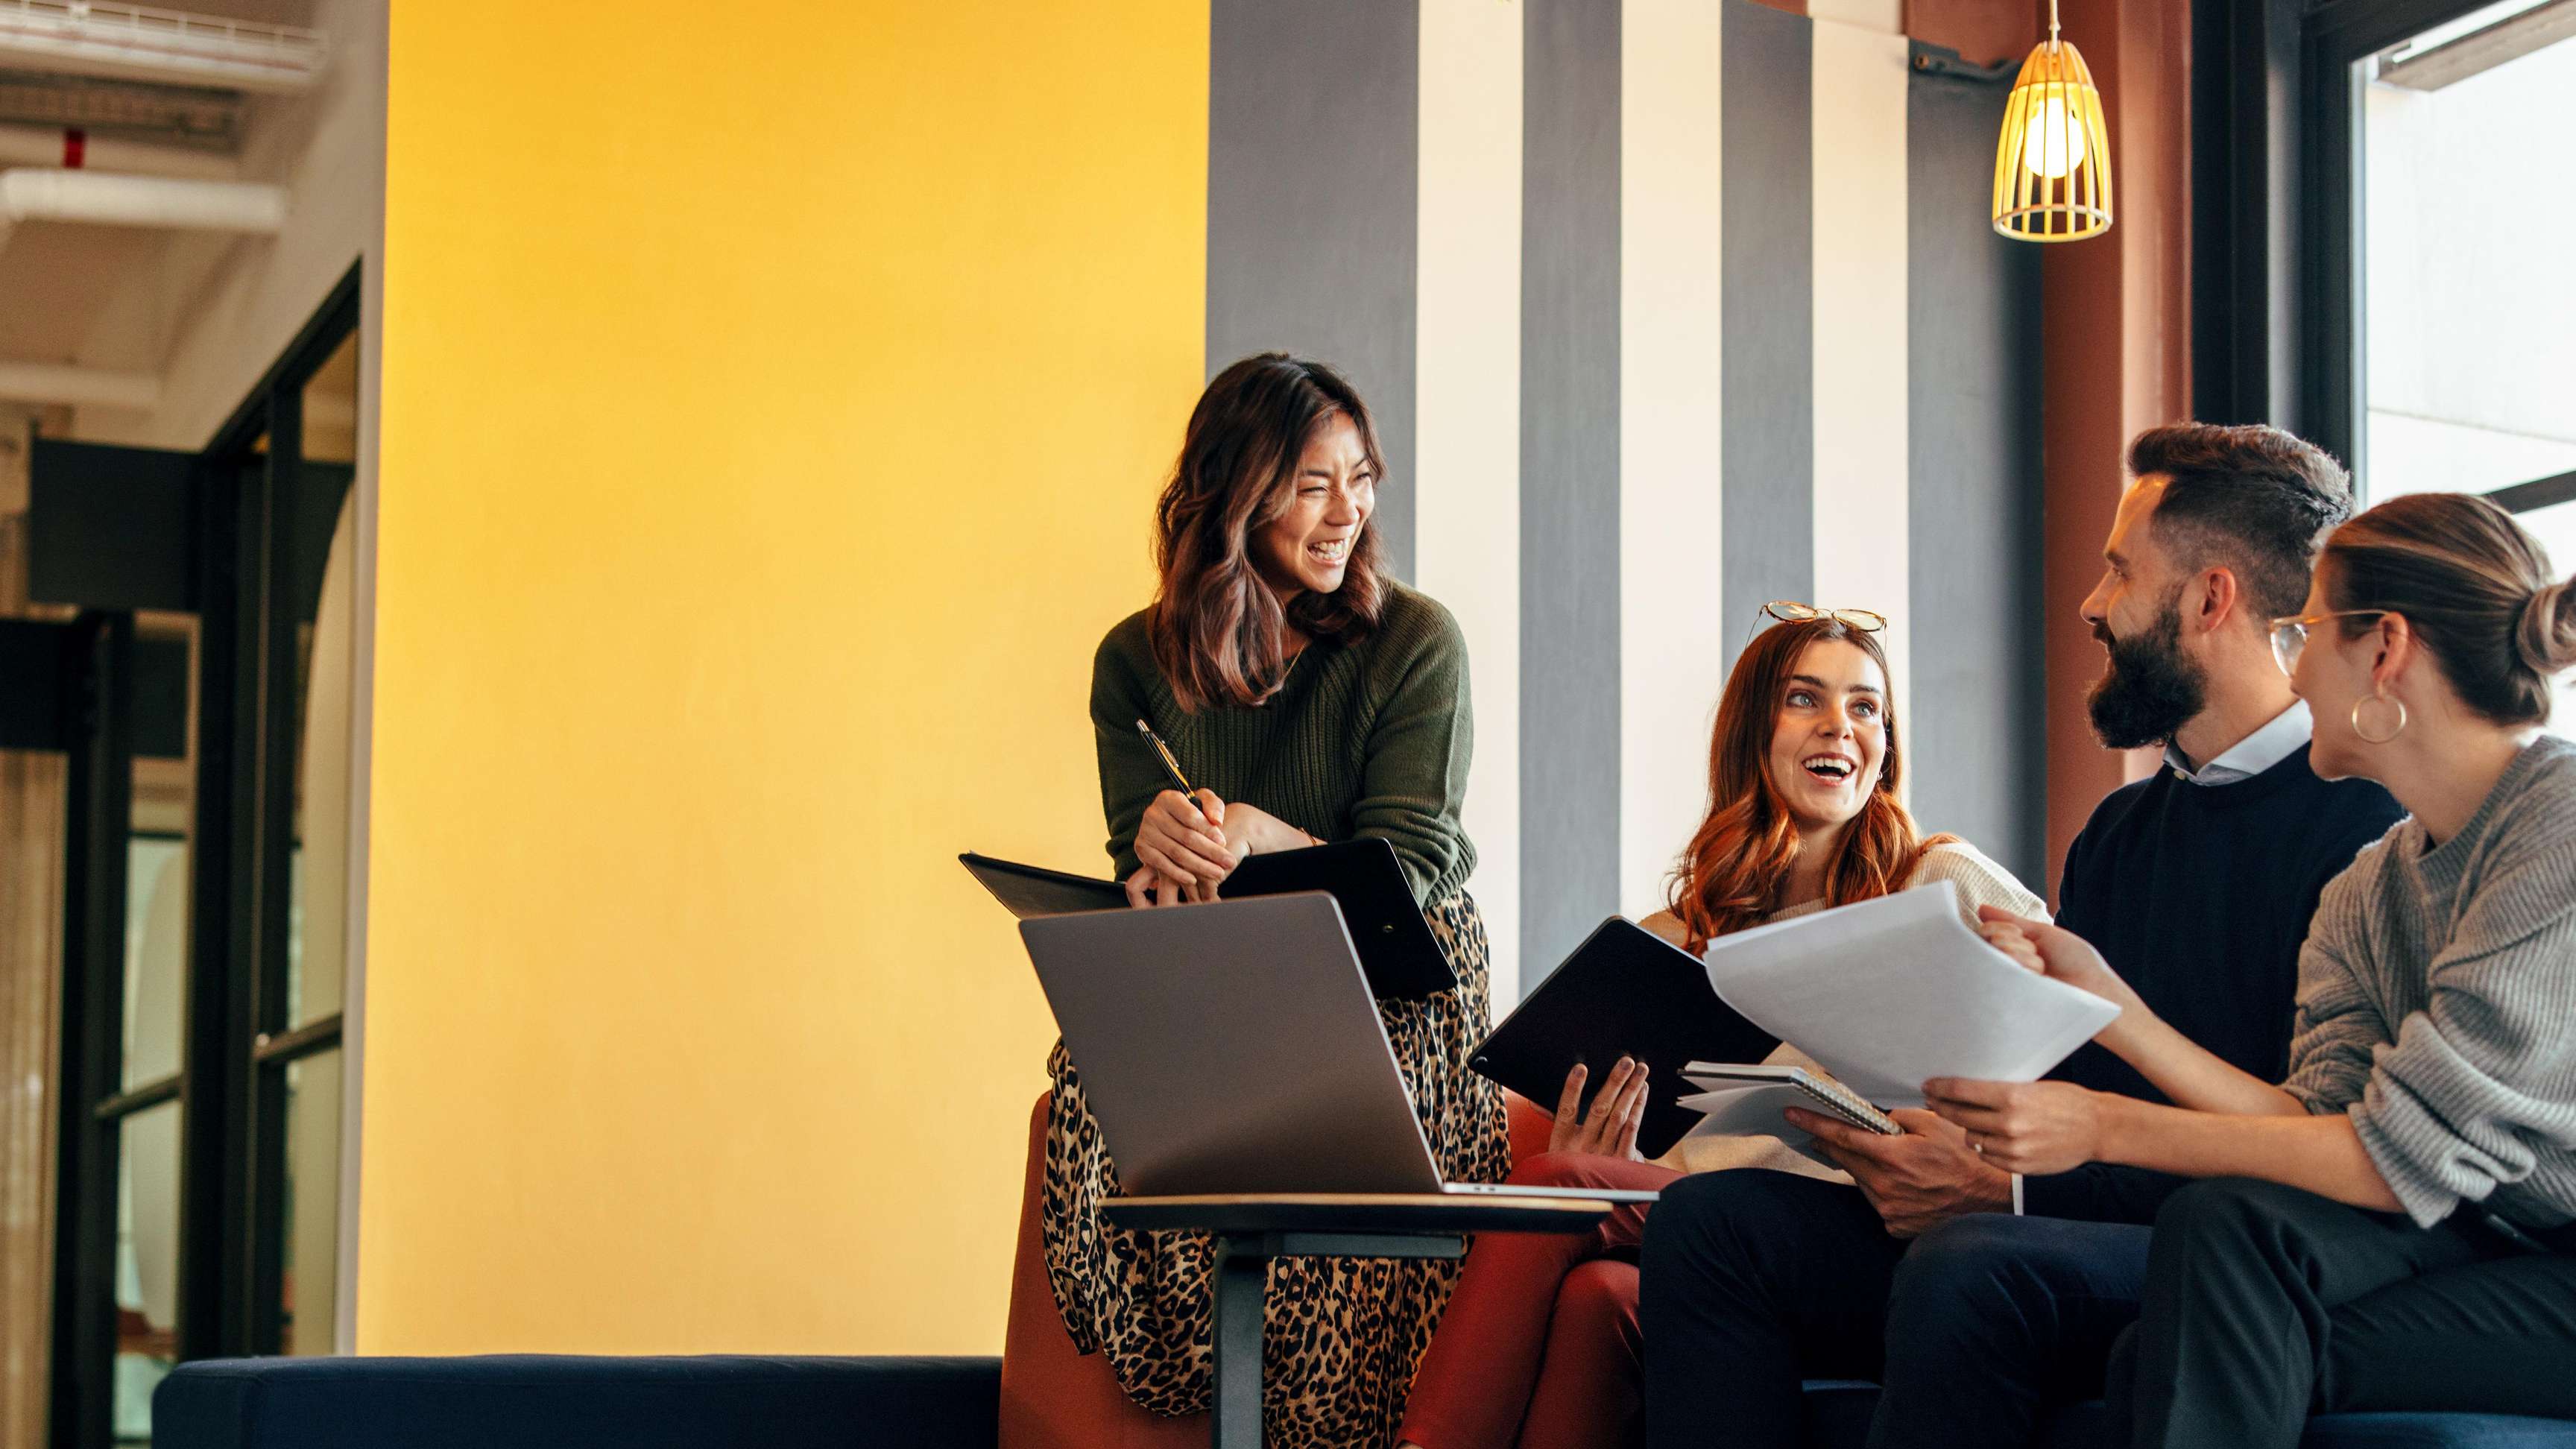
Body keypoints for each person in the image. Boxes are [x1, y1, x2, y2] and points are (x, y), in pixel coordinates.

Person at [1638, 423, 2405, 1449]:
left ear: (2208, 598)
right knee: (1713, 1226)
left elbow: (2312, 1152)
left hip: (2209, 1246)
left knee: (1972, 1269)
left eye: (2119, 572)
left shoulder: (2365, 833)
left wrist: (2004, 1188)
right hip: (2053, 1214)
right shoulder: (2123, 834)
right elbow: (2062, 1071)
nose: (2092, 604)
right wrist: (1950, 1151)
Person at [1940, 489, 2576, 1447]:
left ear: (2385, 650)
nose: (2294, 666)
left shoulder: (2556, 831)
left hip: (2551, 1261)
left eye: (2309, 631)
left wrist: (2102, 1125)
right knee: (2220, 1236)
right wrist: (2112, 1007)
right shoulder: (2372, 889)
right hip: (2484, 1235)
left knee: (2174, 1347)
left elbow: (2397, 1152)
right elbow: (2319, 1122)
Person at [1393, 606, 2048, 1449]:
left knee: (1560, 1183)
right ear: (1753, 731)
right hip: (1705, 1240)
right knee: (1598, 1298)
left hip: (1867, 1228)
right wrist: (1614, 1153)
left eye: (1866, 707)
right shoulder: (1671, 942)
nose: (1840, 727)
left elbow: (2063, 1032)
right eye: (1804, 699)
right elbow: (1667, 1156)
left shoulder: (1940, 880)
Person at [1039, 353, 1509, 1448]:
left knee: (1337, 1133)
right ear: (1236, 496)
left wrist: (1266, 838)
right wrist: (1157, 843)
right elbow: (1143, 869)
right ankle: (1210, 1394)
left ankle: (1314, 1418)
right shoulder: (1134, 660)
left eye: (1362, 477)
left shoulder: (1414, 641)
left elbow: (1415, 863)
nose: (1348, 511)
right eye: (1311, 483)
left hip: (1396, 978)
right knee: (1084, 1073)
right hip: (1226, 973)